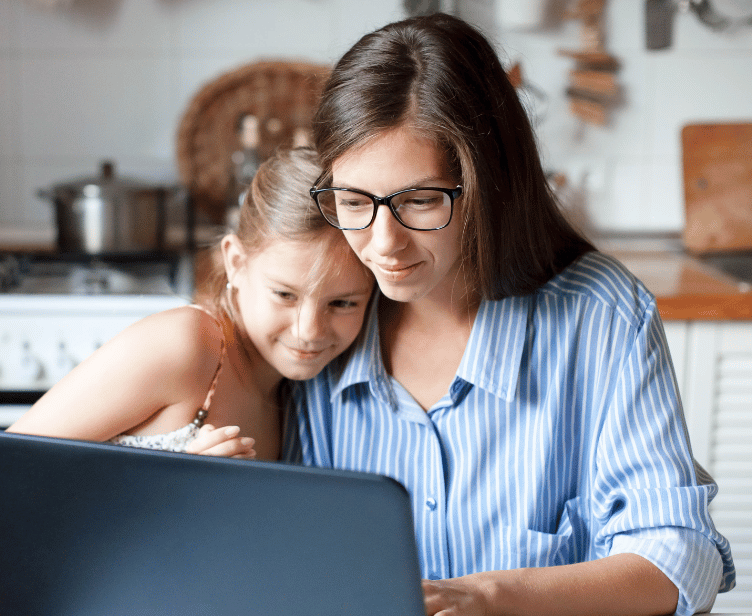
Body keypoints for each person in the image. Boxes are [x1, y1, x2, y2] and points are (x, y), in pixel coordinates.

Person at [283, 13, 736, 616]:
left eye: (419, 201)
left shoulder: (599, 315)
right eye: (354, 202)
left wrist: (491, 596)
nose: (382, 243)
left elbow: (678, 559)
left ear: (487, 182)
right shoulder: (316, 319)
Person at [0, 146, 376, 616]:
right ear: (235, 263)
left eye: (343, 304)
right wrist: (171, 491)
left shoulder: (297, 396)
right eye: (284, 294)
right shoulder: (190, 345)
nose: (310, 331)